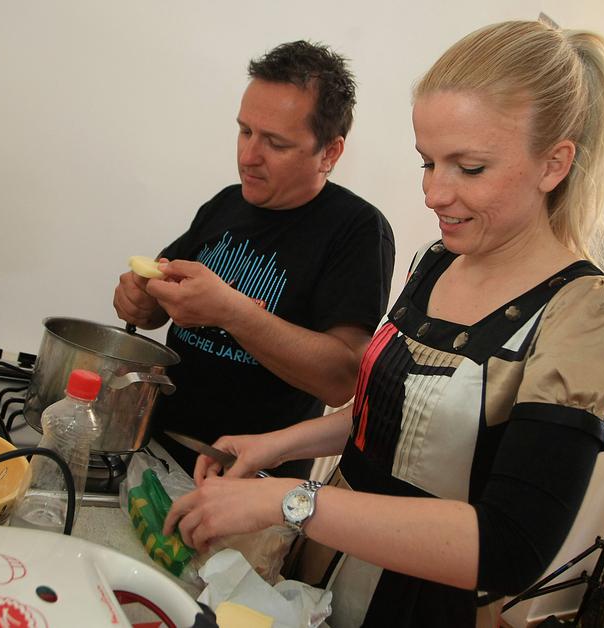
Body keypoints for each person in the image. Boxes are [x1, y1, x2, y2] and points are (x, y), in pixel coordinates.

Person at [163, 20, 604, 627]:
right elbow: (396, 415)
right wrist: (277, 445)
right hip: (329, 563)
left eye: (469, 168)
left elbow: (511, 546)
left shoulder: (587, 309)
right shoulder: (437, 261)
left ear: (554, 164)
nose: (434, 194)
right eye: (428, 163)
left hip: (424, 605)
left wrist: (288, 500)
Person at [113, 41, 396, 478]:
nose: (248, 157)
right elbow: (156, 306)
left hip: (250, 479)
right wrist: (140, 300)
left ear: (330, 153)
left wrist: (232, 312)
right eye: (245, 131)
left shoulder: (357, 229)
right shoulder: (226, 203)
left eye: (276, 144)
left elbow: (342, 377)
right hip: (156, 447)